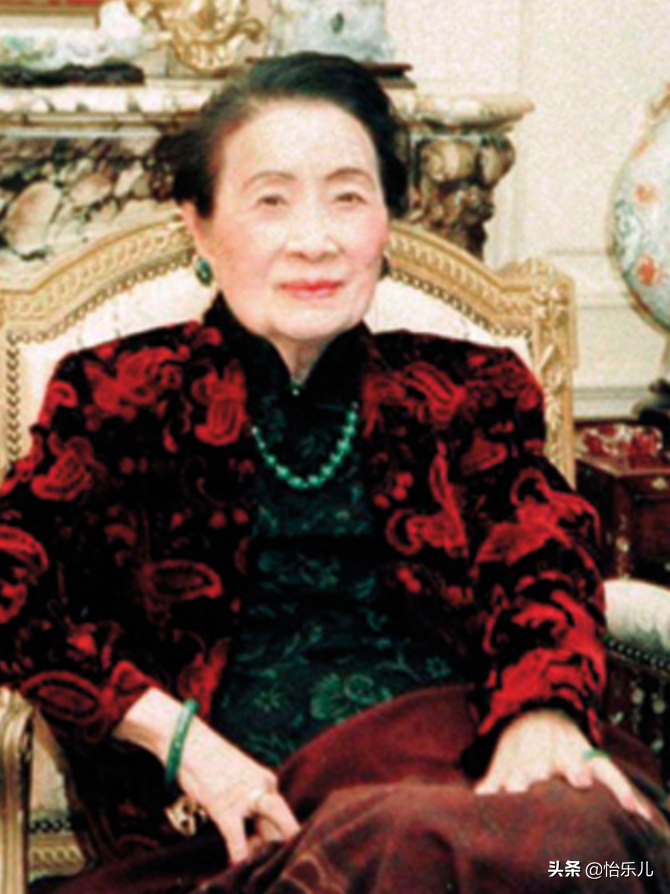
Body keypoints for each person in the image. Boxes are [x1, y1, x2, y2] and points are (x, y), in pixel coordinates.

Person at [1, 52, 669, 894]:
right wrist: (178, 740)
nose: (314, 238)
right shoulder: (116, 396)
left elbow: (545, 556)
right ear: (199, 226)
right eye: (271, 200)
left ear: (388, 220)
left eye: (348, 197)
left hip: (477, 792)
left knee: (595, 851)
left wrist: (542, 708)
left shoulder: (471, 392)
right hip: (245, 838)